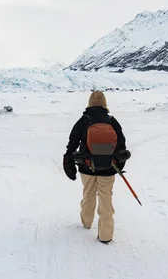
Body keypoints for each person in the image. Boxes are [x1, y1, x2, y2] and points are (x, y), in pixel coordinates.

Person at [62, 90, 128, 244]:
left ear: (89, 103)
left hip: (87, 168)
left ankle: (86, 222)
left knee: (88, 195)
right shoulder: (112, 121)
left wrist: (69, 161)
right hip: (109, 169)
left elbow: (72, 144)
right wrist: (118, 164)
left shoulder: (83, 121)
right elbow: (122, 146)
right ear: (105, 103)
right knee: (106, 199)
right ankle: (106, 235)